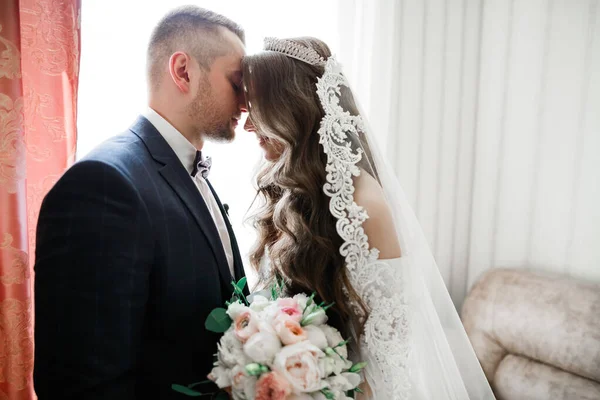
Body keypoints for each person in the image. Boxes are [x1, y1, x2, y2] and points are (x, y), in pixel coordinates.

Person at [242, 37, 497, 399]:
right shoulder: (292, 188)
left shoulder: (364, 206)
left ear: (292, 109)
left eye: (258, 109)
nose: (248, 126)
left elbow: (388, 359)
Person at [33, 6, 246, 399]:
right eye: (237, 82)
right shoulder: (104, 185)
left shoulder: (188, 174)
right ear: (183, 71)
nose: (246, 102)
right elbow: (81, 384)